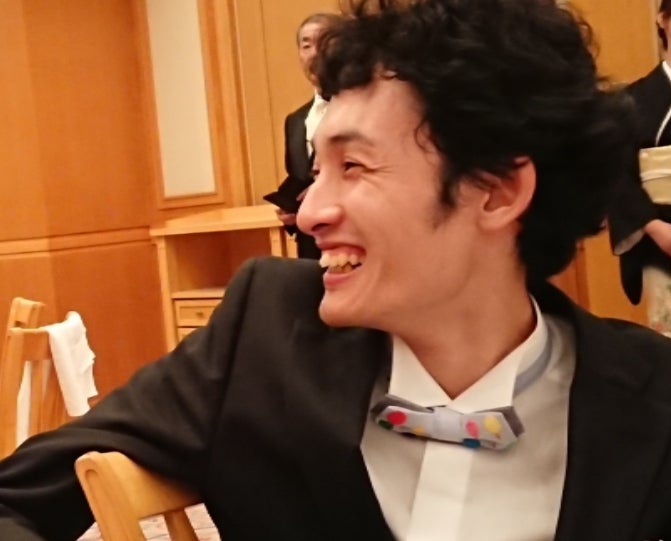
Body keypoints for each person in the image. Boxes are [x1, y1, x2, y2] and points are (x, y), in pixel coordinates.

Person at [2, 0, 671, 539]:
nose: (309, 212)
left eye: (353, 166)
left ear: (495, 193)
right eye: (317, 169)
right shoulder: (264, 337)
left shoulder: (650, 399)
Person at [609, 0, 671, 333]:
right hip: (664, 244)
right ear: (662, 19)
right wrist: (657, 229)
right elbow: (616, 175)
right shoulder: (630, 103)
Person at [264, 12, 342, 259]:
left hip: (359, 240)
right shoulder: (295, 121)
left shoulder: (368, 109)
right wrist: (292, 214)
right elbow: (299, 178)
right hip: (312, 250)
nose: (314, 52)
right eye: (306, 45)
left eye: (324, 42)